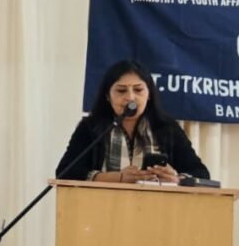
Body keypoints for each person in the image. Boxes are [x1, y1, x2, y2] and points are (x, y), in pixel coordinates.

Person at [56, 60, 209, 183]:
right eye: (121, 91)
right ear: (108, 96)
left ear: (149, 94)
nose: (130, 97)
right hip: (102, 206)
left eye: (138, 90)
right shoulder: (91, 127)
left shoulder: (167, 127)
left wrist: (176, 179)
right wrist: (117, 178)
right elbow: (66, 172)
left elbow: (201, 173)